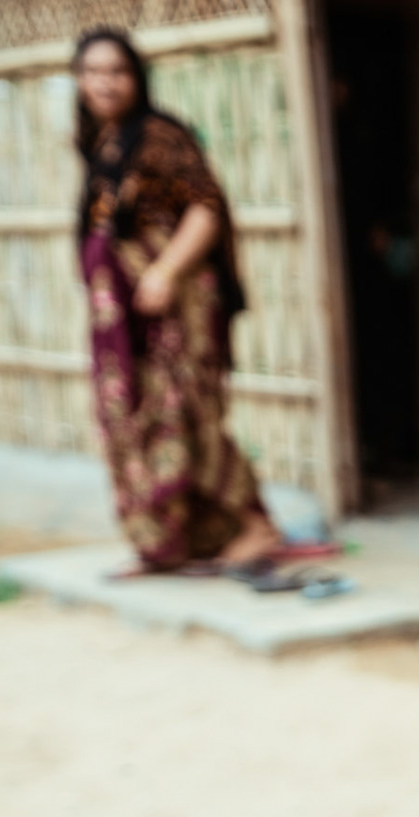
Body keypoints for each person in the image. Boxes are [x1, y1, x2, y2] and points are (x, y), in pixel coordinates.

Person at [72, 27, 283, 575]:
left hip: (174, 306)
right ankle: (169, 543)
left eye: (116, 70)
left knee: (184, 409)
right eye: (93, 72)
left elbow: (205, 208)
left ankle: (256, 526)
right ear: (79, 80)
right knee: (131, 416)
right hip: (122, 316)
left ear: (136, 76)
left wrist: (165, 271)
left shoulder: (160, 136)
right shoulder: (103, 144)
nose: (105, 82)